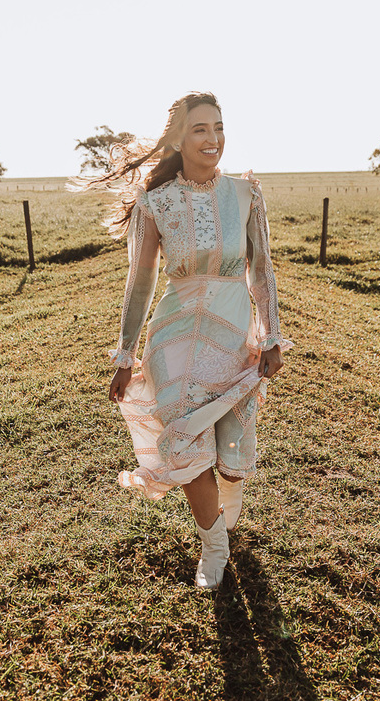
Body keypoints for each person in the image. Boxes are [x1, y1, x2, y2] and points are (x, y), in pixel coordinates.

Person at [72, 92, 291, 590]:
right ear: (179, 137)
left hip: (233, 332)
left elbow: (262, 271)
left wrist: (273, 335)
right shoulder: (157, 202)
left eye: (218, 127)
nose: (212, 139)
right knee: (185, 442)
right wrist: (126, 356)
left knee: (233, 454)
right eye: (200, 129)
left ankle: (228, 501)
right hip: (173, 336)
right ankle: (214, 546)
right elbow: (141, 281)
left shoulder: (245, 193)